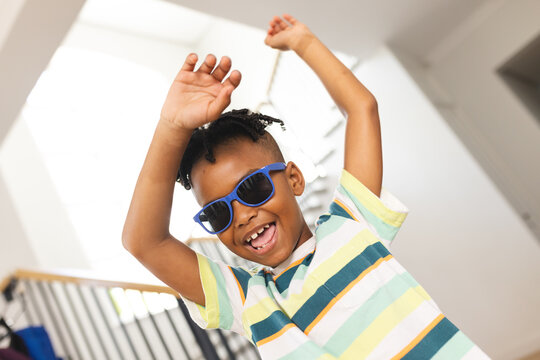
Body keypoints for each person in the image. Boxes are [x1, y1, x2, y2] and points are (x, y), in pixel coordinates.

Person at [122, 14, 489, 359]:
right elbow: (145, 242)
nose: (242, 215)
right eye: (217, 212)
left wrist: (304, 42)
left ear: (294, 179)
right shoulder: (248, 300)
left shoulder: (351, 226)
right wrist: (172, 126)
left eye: (252, 188)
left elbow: (362, 108)